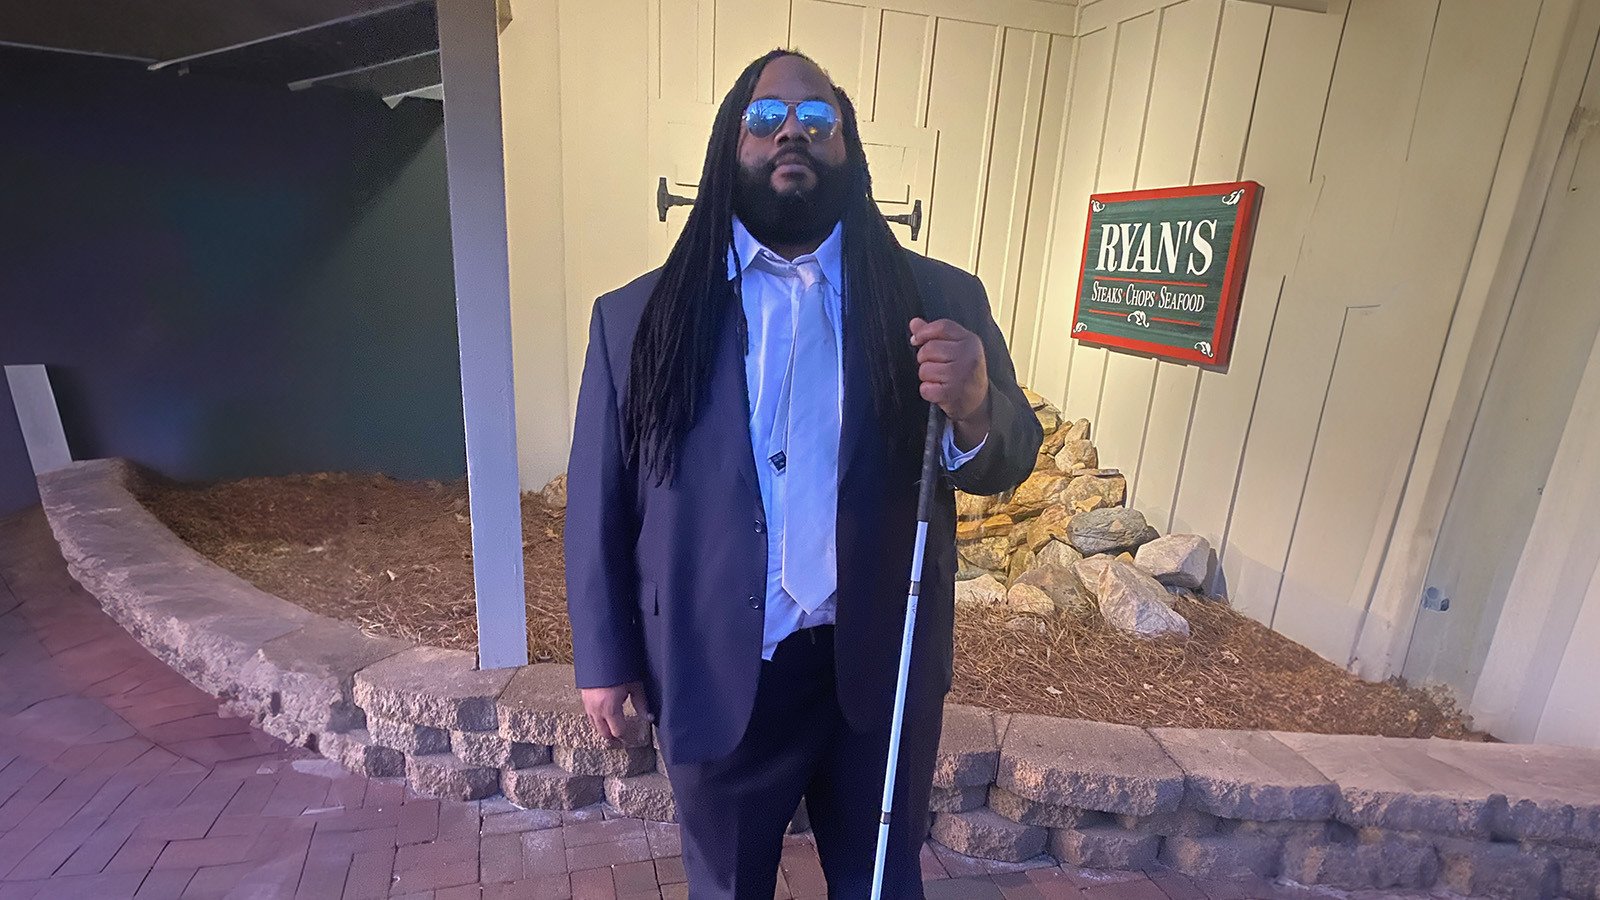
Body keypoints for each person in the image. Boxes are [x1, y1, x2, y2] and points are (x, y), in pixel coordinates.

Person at [564, 48, 1041, 899]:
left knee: (881, 887)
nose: (793, 132)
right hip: (716, 666)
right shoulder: (639, 319)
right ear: (729, 145)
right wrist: (604, 654)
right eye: (766, 118)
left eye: (818, 120)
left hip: (877, 675)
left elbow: (1009, 458)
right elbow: (602, 499)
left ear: (848, 150)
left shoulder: (935, 302)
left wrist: (974, 405)